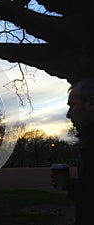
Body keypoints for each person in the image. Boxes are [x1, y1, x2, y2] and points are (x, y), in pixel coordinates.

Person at [65, 78, 94, 225]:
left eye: (72, 106)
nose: (68, 114)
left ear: (90, 103)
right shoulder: (87, 144)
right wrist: (70, 185)